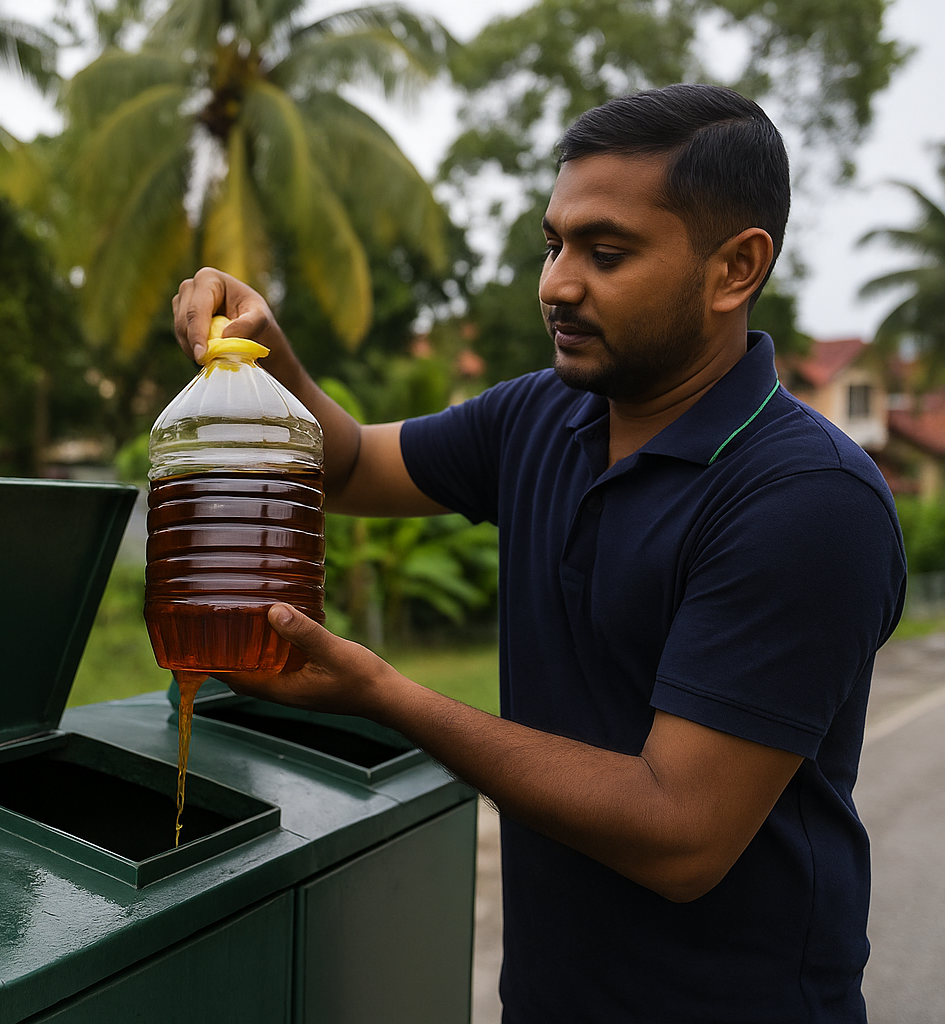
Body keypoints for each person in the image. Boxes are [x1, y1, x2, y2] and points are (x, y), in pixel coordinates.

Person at [170, 84, 905, 1023]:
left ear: (735, 268)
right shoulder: (540, 416)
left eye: (606, 252)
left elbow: (679, 835)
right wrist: (271, 357)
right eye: (553, 244)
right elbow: (349, 465)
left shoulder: (804, 499)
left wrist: (382, 693)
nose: (556, 284)